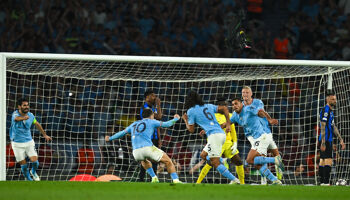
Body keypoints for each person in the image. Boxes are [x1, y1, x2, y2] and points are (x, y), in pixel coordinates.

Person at [105, 109, 182, 183]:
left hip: (136, 152)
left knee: (144, 160)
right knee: (168, 161)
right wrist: (175, 119)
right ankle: (176, 180)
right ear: (151, 115)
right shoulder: (152, 121)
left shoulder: (134, 124)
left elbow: (122, 133)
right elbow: (167, 124)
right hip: (147, 148)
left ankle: (154, 178)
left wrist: (110, 138)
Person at [182, 91, 240, 184]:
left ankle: (235, 180)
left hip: (214, 137)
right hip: (221, 134)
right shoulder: (208, 105)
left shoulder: (191, 111)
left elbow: (191, 130)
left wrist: (185, 120)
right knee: (203, 155)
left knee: (215, 163)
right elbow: (225, 108)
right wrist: (228, 124)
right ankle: (222, 160)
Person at [230, 97, 284, 185]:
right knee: (257, 163)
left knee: (250, 160)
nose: (234, 106)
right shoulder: (235, 115)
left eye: (236, 104)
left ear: (241, 103)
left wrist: (269, 119)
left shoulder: (249, 109)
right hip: (259, 137)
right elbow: (228, 122)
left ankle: (275, 160)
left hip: (261, 136)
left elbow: (260, 112)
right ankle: (275, 180)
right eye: (232, 105)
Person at [195, 96, 245, 184]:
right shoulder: (212, 116)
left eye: (226, 104)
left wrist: (235, 143)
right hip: (217, 143)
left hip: (228, 143)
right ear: (219, 105)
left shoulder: (230, 115)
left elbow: (233, 131)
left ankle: (242, 183)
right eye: (225, 104)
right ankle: (198, 182)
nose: (227, 105)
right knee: (210, 163)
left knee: (239, 162)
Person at [241, 85, 283, 181]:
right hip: (254, 135)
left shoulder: (258, 102)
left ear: (251, 94)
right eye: (243, 92)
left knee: (268, 156)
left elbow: (260, 111)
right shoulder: (241, 106)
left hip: (264, 132)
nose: (245, 94)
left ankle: (273, 178)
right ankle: (274, 177)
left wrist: (269, 119)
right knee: (269, 155)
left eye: (247, 92)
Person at [9, 98, 52, 181]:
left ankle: (33, 172)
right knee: (23, 165)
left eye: (27, 105)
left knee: (35, 161)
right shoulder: (15, 114)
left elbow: (37, 124)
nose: (26, 107)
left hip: (28, 141)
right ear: (19, 106)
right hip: (17, 144)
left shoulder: (31, 115)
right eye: (24, 105)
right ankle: (28, 179)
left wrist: (44, 134)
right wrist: (24, 118)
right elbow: (16, 119)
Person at [319, 91, 346, 186]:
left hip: (326, 139)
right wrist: (323, 142)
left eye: (335, 99)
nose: (335, 101)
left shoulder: (330, 111)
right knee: (328, 160)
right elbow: (322, 125)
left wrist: (340, 139)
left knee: (322, 160)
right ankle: (325, 182)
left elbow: (333, 126)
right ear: (327, 99)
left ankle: (322, 182)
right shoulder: (326, 110)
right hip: (325, 139)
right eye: (332, 99)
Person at [138, 89, 163, 182]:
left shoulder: (152, 108)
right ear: (147, 97)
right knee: (145, 159)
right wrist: (159, 104)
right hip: (146, 137)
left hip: (154, 137)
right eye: (153, 95)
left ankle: (153, 179)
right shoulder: (144, 107)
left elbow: (157, 124)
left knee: (155, 159)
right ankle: (141, 179)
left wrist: (159, 139)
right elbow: (159, 117)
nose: (155, 97)